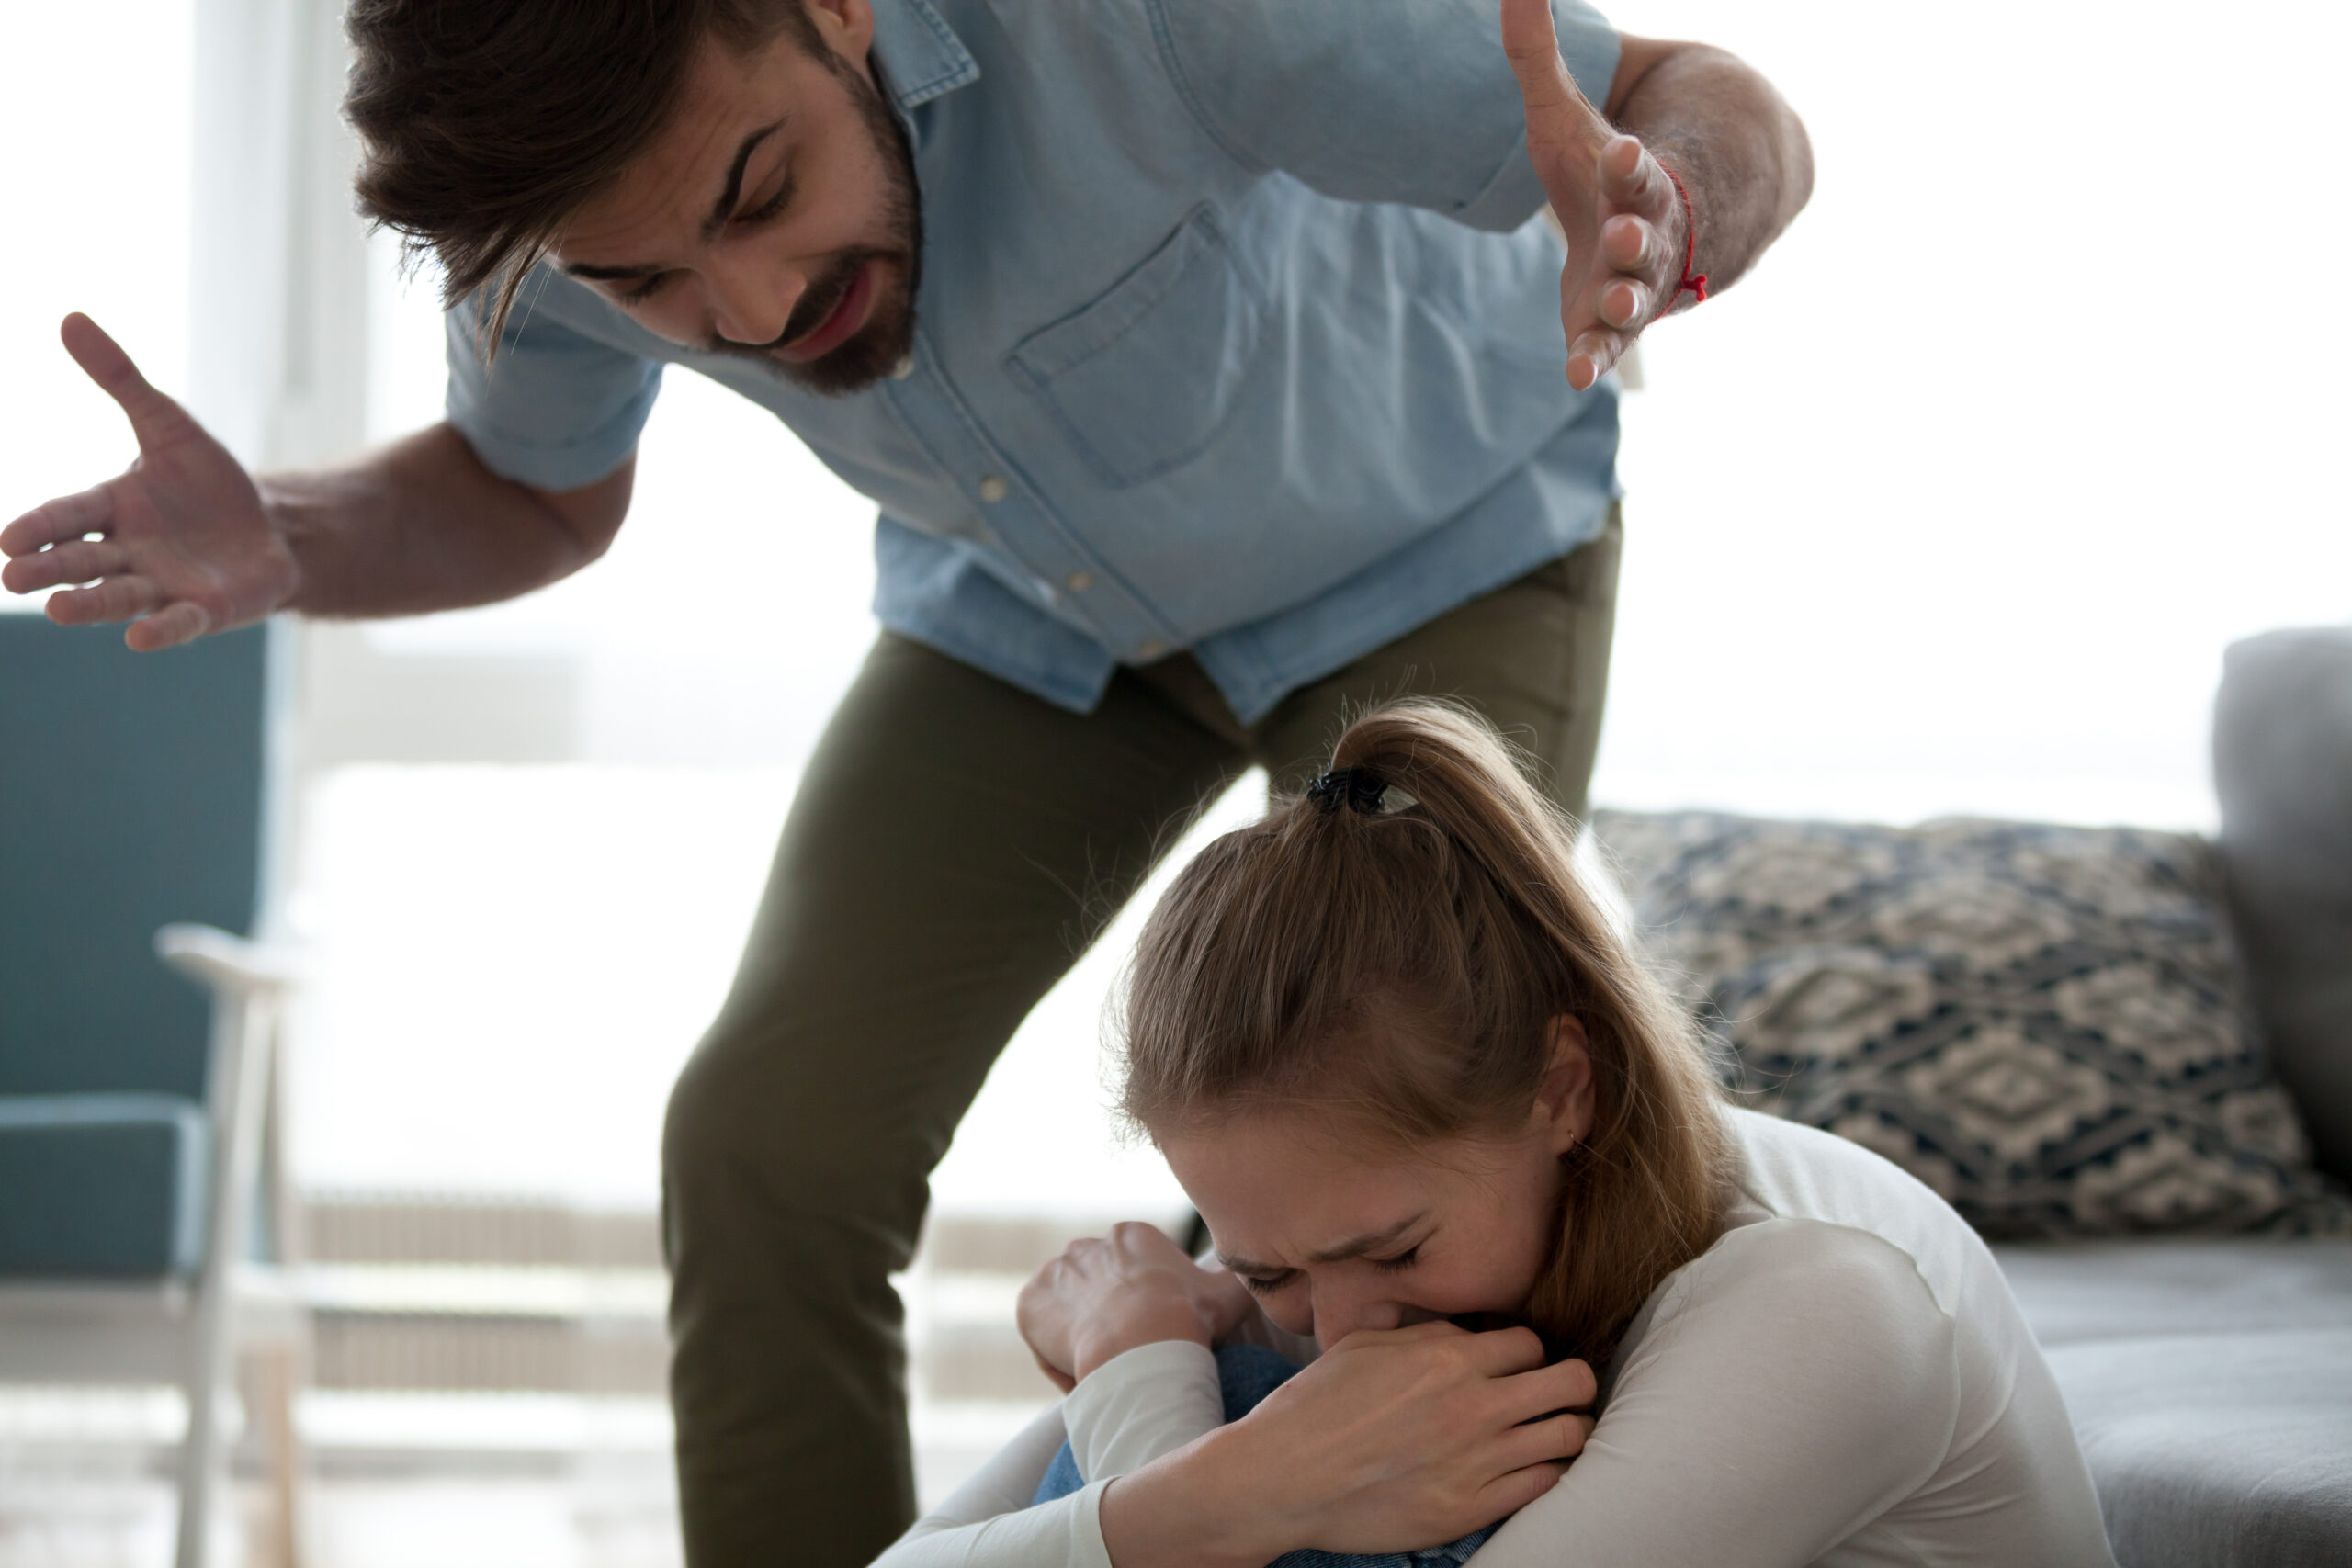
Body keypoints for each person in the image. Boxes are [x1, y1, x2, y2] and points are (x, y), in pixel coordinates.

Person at [0, 2, 1812, 1562]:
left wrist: (1669, 210)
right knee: (763, 1140)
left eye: (760, 192)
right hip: (1034, 615)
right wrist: (289, 537)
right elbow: (538, 492)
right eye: (645, 285)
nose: (748, 308)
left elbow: (1696, 94)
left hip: (1437, 544)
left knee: (1341, 1163)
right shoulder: (552, 219)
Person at [881, 702, 2119, 1568]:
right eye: (1264, 1267)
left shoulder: (1816, 1301)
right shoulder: (1347, 1242)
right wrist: (1223, 1460)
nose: (1346, 1325)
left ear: (1563, 1090)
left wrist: (1142, 1390)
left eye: (1398, 1251)